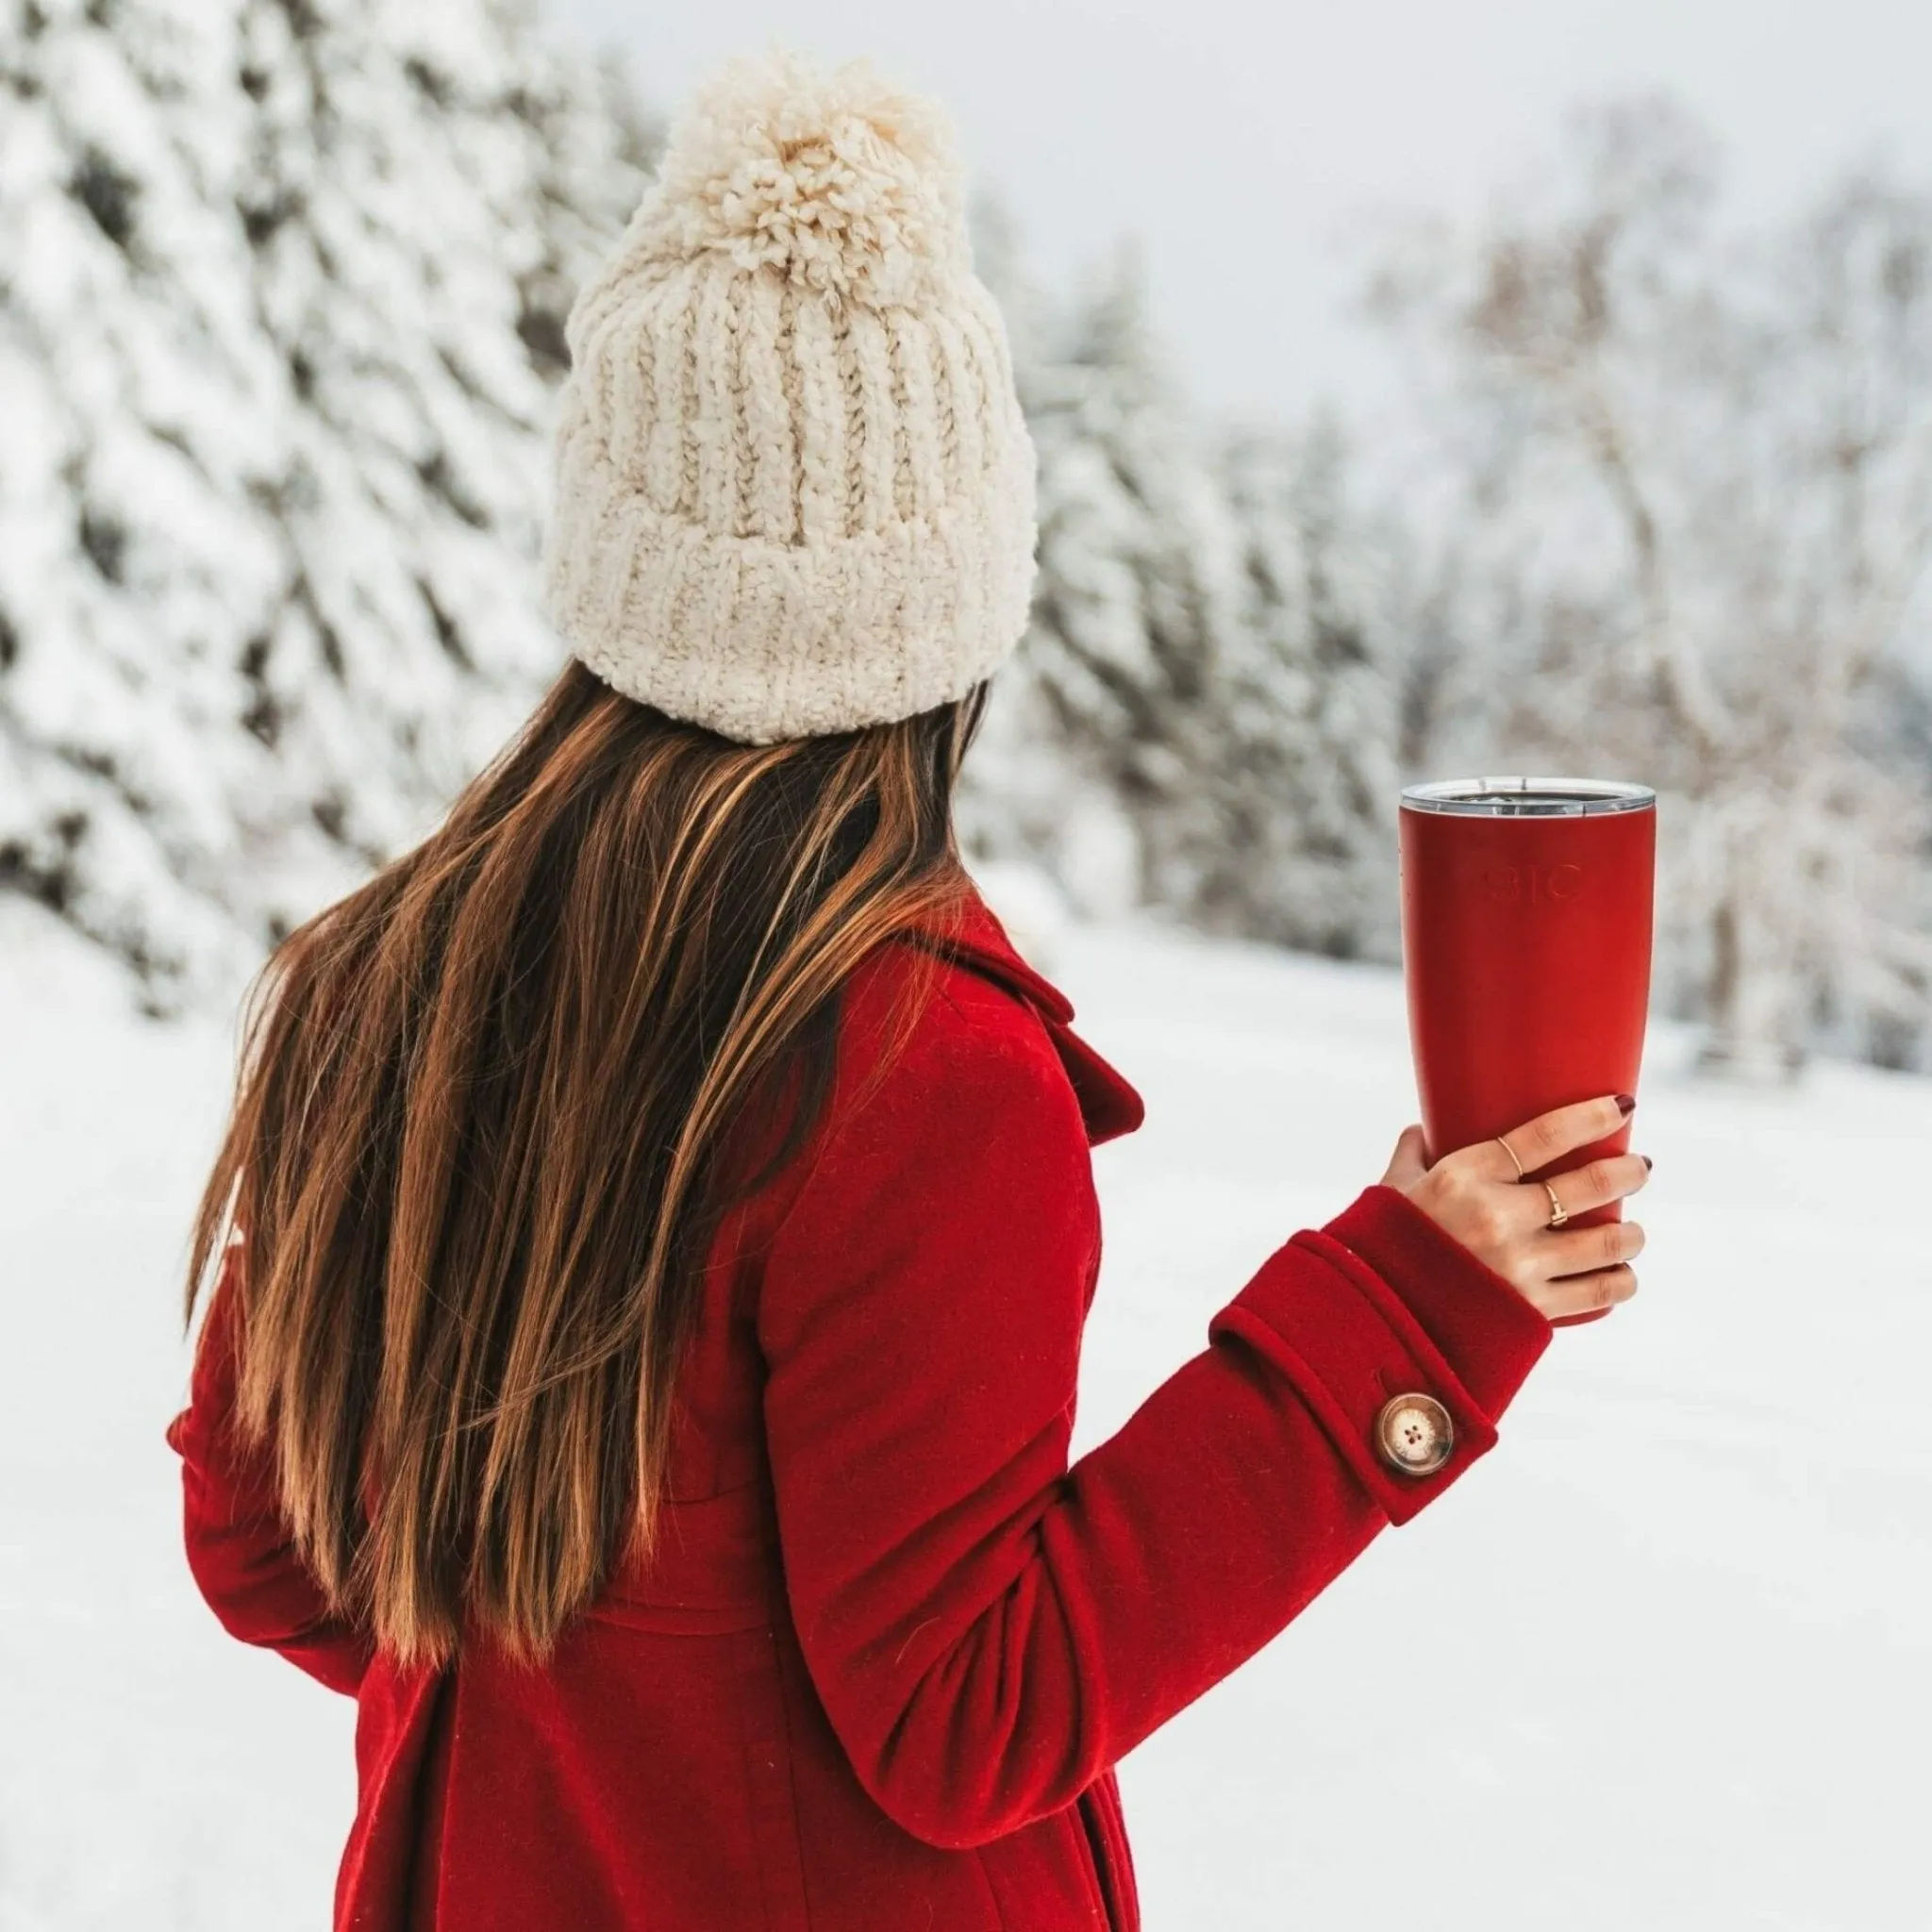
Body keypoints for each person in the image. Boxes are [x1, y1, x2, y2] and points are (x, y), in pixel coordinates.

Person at [166, 45, 1650, 1932]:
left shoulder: (368, 997)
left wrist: (594, 1730)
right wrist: (1408, 1318)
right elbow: (971, 1713)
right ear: (958, 603)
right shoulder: (915, 1078)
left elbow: (268, 1556)